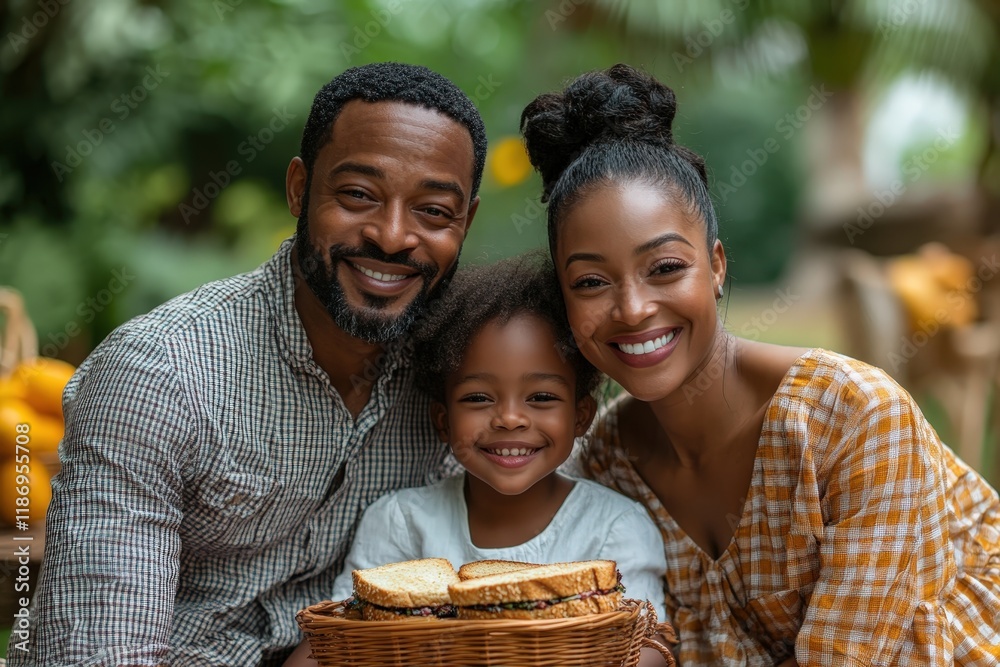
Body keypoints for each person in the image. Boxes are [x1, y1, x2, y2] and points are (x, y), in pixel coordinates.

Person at [519, 63, 1000, 666]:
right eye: (591, 281)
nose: (634, 309)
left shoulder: (853, 420)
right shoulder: (609, 466)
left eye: (666, 268)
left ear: (716, 266)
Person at [10, 62, 487, 667]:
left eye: (434, 212)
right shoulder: (160, 374)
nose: (393, 236)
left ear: (465, 221)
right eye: (358, 195)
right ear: (298, 188)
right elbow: (100, 655)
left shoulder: (462, 375)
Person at [282, 253, 673, 667]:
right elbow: (337, 641)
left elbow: (647, 649)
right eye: (477, 398)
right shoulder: (401, 523)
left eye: (541, 397)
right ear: (443, 421)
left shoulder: (614, 530)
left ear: (580, 416)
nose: (509, 419)